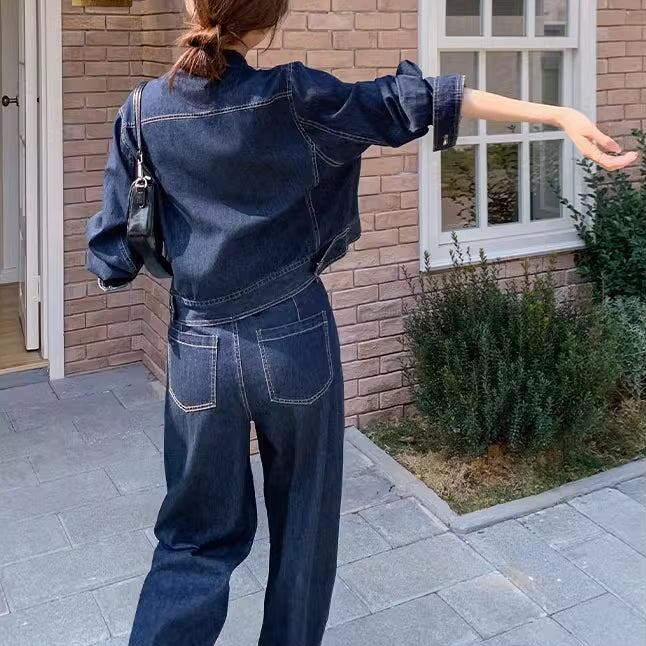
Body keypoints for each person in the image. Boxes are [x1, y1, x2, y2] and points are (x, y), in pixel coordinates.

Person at [85, 1, 637, 645]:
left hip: (198, 347)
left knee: (192, 541)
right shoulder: (297, 97)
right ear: (270, 21)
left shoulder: (142, 111)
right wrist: (558, 113)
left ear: (191, 7)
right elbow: (420, 101)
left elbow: (113, 253)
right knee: (305, 531)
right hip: (294, 335)